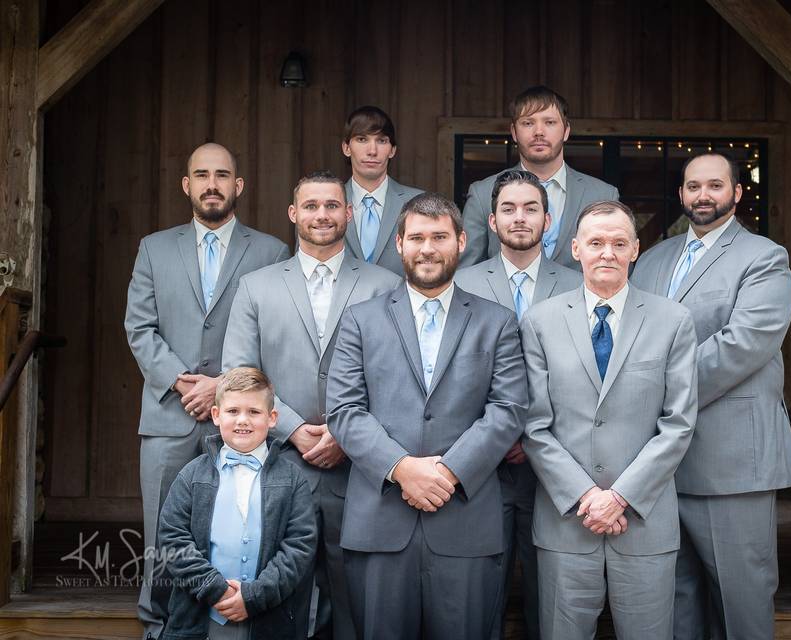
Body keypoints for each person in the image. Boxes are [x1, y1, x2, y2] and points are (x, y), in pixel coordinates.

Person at [326, 193, 528, 640]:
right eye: (416, 237)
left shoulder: (497, 322)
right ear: (399, 244)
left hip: (466, 520)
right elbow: (344, 411)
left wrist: (449, 472)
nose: (427, 248)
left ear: (460, 241)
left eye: (439, 237)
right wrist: (402, 469)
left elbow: (508, 409)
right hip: (380, 521)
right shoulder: (360, 320)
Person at [630, 152, 791, 639]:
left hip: (732, 460)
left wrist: (653, 393)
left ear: (736, 193)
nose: (702, 195)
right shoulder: (651, 260)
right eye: (692, 186)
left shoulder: (764, 257)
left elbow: (743, 344)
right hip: (661, 463)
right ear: (681, 194)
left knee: (740, 599)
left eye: (714, 185)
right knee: (678, 597)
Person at [222, 171, 401, 639]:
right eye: (311, 206)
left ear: (347, 213)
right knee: (279, 588)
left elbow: (396, 377)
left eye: (331, 206)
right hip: (280, 462)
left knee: (355, 595)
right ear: (293, 213)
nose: (321, 215)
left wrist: (346, 433)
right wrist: (295, 429)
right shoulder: (256, 286)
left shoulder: (385, 284)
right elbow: (239, 376)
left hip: (358, 468)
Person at [125, 142, 289, 639]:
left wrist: (220, 387)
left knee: (241, 521)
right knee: (162, 530)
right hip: (169, 412)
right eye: (202, 175)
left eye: (222, 175)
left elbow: (272, 335)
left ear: (238, 186)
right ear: (187, 185)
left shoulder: (269, 251)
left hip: (240, 415)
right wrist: (180, 380)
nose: (212, 184)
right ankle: (158, 625)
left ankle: (238, 619)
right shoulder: (154, 247)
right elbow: (139, 327)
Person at [520, 200, 698, 639]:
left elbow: (678, 423)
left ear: (635, 250)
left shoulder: (673, 321)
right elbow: (534, 425)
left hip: (644, 521)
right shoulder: (539, 321)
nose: (607, 253)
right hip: (566, 522)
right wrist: (586, 497)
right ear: (576, 249)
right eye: (596, 242)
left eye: (619, 243)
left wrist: (619, 497)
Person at [454, 169, 580, 640]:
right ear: (491, 219)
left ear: (548, 220)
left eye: (531, 208)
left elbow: (586, 379)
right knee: (480, 595)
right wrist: (495, 439)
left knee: (551, 599)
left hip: (558, 464)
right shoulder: (462, 283)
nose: (520, 217)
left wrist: (533, 438)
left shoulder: (576, 284)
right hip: (482, 465)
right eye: (508, 208)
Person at [158, 367, 317, 640]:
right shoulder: (191, 476)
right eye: (233, 411)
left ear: (272, 418)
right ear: (216, 415)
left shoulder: (293, 480)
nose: (243, 420)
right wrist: (214, 589)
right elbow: (173, 539)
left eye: (254, 412)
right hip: (201, 617)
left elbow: (299, 547)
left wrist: (254, 596)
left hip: (269, 619)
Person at [460, 85, 619, 269]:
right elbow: (466, 274)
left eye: (549, 122)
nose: (539, 132)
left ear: (566, 130)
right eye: (528, 123)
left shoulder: (602, 195)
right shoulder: (482, 193)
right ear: (514, 132)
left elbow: (618, 269)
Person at [341, 106, 425, 276]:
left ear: (392, 150)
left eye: (381, 141)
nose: (372, 151)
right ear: (346, 148)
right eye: (362, 139)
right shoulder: (326, 204)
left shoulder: (418, 202)